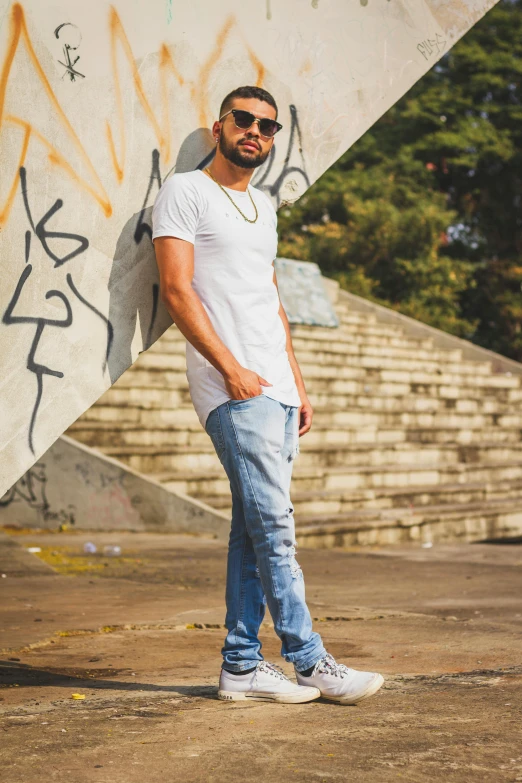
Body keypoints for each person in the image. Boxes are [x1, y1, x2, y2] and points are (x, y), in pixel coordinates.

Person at [152, 85, 384, 705]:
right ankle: (309, 659)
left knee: (253, 530)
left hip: (276, 386)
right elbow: (176, 291)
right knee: (275, 527)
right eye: (244, 120)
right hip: (234, 385)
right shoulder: (185, 191)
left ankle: (241, 667)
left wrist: (297, 382)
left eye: (267, 126)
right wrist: (230, 369)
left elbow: (271, 299)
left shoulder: (264, 205)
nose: (255, 131)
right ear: (219, 126)